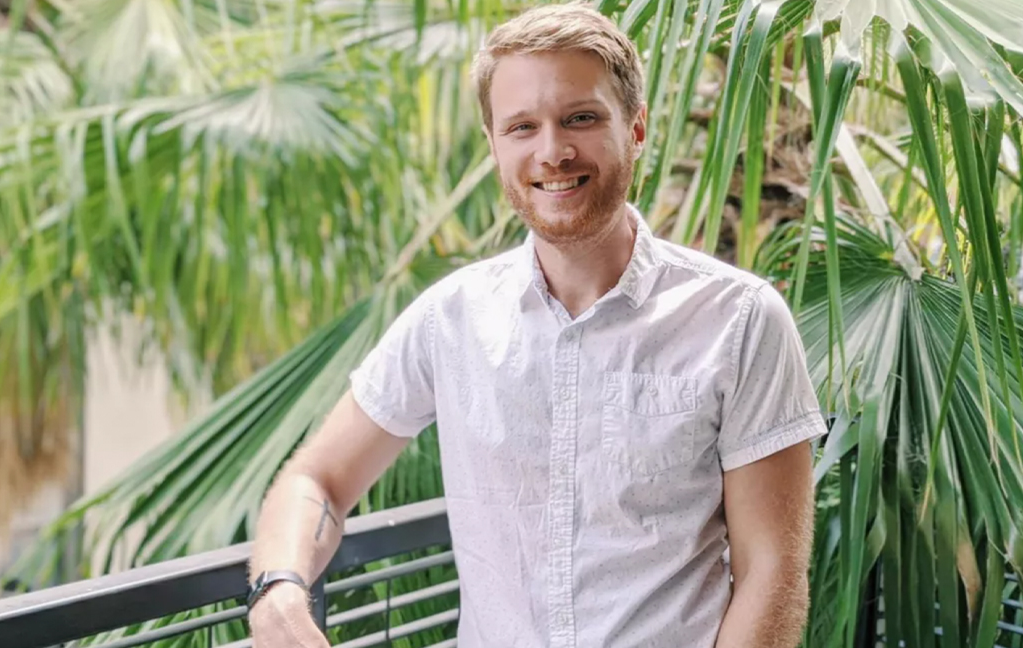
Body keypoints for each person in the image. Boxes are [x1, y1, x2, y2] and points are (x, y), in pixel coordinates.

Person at [245, 3, 827, 646]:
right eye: (522, 127)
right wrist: (278, 596)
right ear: (494, 145)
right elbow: (317, 478)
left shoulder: (740, 320)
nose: (553, 151)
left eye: (580, 117)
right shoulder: (450, 319)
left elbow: (773, 571)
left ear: (635, 131)